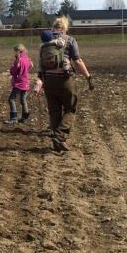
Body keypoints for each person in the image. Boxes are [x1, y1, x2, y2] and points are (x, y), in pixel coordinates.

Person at [39, 17, 93, 153]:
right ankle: (60, 135)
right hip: (64, 80)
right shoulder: (69, 40)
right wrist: (88, 77)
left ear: (54, 27)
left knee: (54, 111)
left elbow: (40, 63)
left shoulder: (45, 42)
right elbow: (78, 61)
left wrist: (41, 81)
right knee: (70, 108)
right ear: (64, 28)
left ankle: (57, 143)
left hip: (48, 81)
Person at [5, 44, 33, 124]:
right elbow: (30, 66)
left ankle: (13, 117)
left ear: (18, 51)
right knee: (23, 99)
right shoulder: (27, 59)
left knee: (11, 99)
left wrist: (11, 70)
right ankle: (25, 117)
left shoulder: (19, 60)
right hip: (25, 82)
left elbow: (14, 70)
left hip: (19, 83)